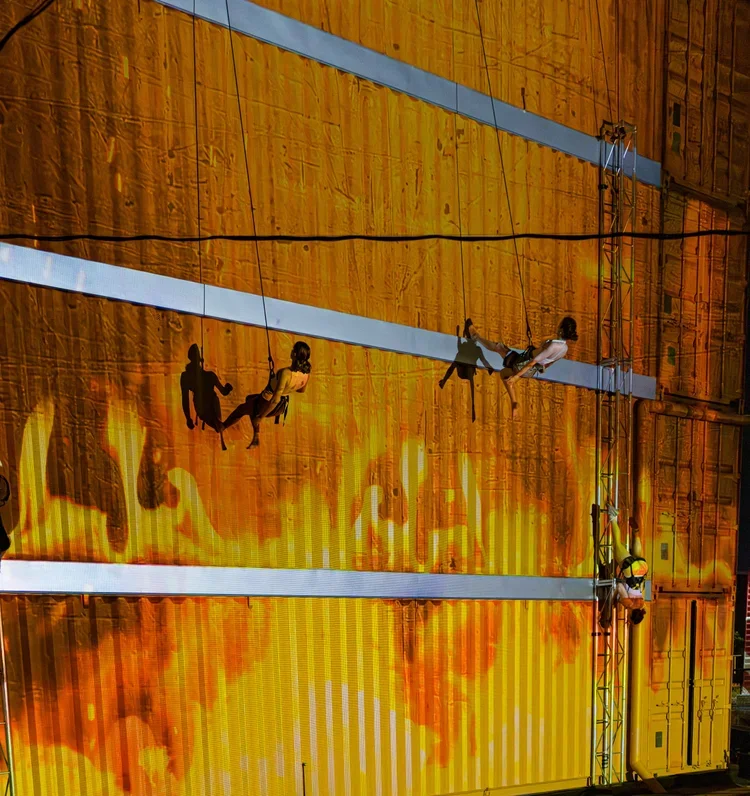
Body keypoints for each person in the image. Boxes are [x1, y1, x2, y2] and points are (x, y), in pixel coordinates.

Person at [468, 316, 578, 418]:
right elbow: (550, 361)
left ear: (562, 330)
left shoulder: (553, 345)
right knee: (504, 374)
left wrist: (516, 377)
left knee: (499, 347)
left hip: (524, 363)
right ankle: (514, 402)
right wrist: (543, 367)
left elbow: (533, 361)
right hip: (530, 370)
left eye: (560, 324)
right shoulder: (564, 349)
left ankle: (475, 336)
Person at [223, 341, 311, 449]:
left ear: (295, 354)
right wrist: (282, 386)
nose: (291, 351)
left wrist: (261, 417)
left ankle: (222, 427)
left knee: (241, 410)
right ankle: (256, 437)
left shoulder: (286, 373)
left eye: (293, 350)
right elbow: (301, 390)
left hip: (266, 401)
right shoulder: (306, 375)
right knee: (249, 399)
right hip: (282, 407)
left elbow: (275, 400)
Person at [598, 505, 648, 627]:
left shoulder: (642, 604)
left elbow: (642, 587)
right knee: (617, 546)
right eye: (629, 619)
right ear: (631, 615)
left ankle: (636, 533)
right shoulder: (628, 604)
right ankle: (613, 517)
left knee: (637, 555)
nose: (627, 619)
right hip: (631, 570)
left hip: (643, 569)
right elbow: (619, 586)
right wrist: (614, 597)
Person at [438, 318, 494, 422]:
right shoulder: (473, 347)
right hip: (463, 370)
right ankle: (444, 381)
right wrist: (458, 335)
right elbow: (483, 360)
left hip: (467, 370)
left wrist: (489, 367)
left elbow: (483, 359)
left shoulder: (474, 348)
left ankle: (472, 405)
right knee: (457, 361)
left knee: (460, 363)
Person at [180, 344, 234, 451]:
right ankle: (220, 426)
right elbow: (185, 399)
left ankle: (219, 426)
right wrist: (188, 418)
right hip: (203, 408)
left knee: (216, 416)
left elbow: (223, 391)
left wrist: (188, 418)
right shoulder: (189, 377)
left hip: (207, 407)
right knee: (217, 422)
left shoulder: (209, 376)